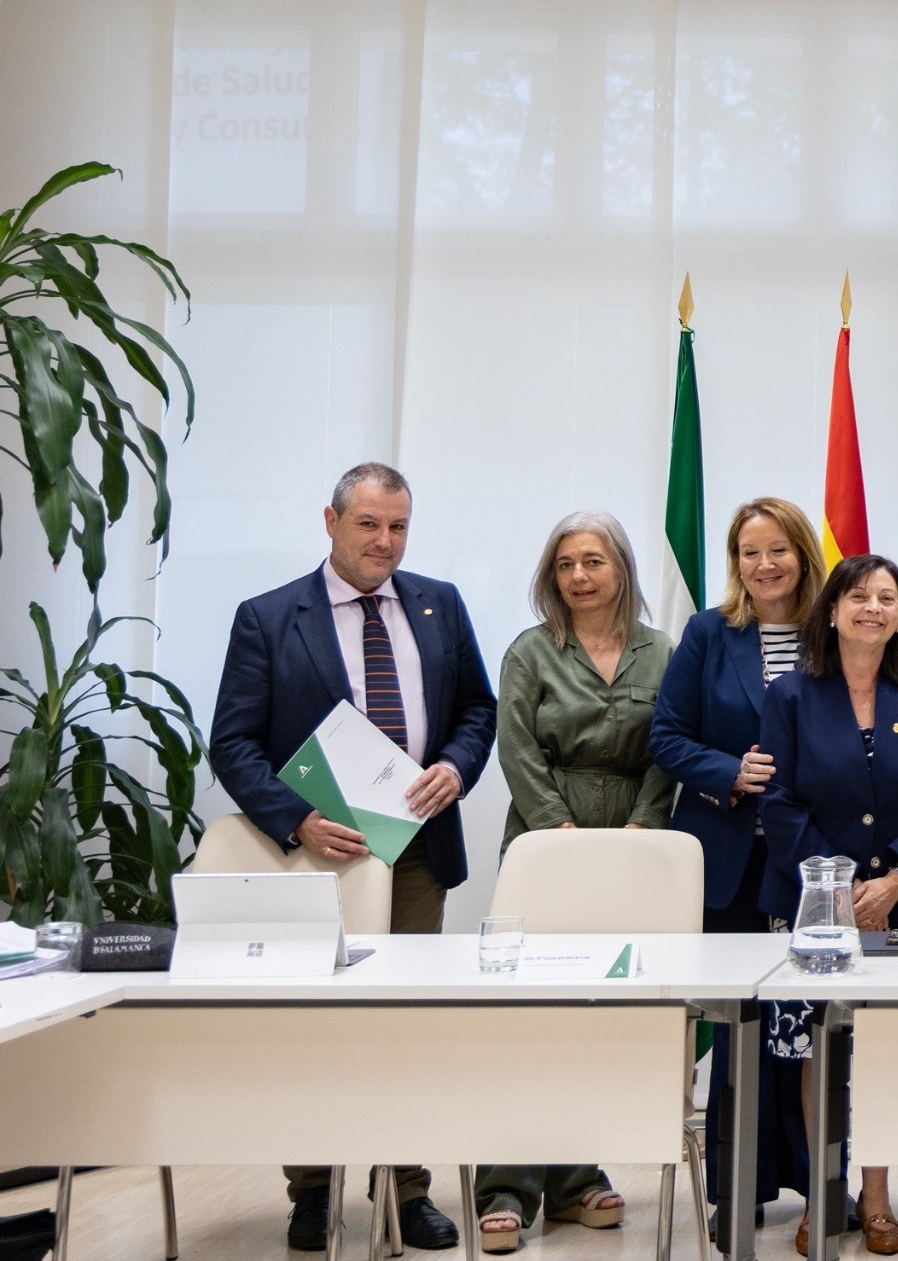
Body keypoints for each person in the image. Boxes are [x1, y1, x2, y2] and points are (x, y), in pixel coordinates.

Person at [206, 461, 494, 1253]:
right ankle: (313, 1187)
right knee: (315, 1024)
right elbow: (231, 742)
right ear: (330, 522)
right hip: (320, 856)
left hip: (416, 849)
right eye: (368, 524)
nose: (385, 541)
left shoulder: (439, 604)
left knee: (406, 1022)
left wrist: (456, 767)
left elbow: (477, 709)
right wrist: (295, 820)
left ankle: (405, 1187)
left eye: (398, 526)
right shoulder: (269, 618)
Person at [476, 511, 677, 1251]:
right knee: (528, 1012)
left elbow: (670, 744)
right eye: (565, 564)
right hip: (543, 839)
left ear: (621, 568)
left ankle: (575, 1177)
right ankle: (505, 1185)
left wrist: (645, 823)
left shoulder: (662, 651)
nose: (579, 576)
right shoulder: (530, 651)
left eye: (594, 561)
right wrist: (555, 828)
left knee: (600, 1012)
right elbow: (515, 746)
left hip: (634, 840)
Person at [760, 553, 898, 1259]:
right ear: (833, 609)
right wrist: (840, 888)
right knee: (819, 1049)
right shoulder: (791, 694)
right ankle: (824, 1195)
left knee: (885, 1050)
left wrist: (897, 880)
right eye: (858, 596)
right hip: (814, 909)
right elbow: (779, 803)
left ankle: (877, 1199)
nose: (872, 608)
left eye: (887, 598)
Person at [648, 497, 827, 1240]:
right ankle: (736, 1189)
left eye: (778, 549)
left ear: (803, 554)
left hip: (812, 863)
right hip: (730, 860)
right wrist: (729, 771)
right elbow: (666, 736)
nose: (764, 565)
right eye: (750, 552)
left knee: (813, 1027)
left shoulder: (834, 628)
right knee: (740, 1029)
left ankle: (820, 1186)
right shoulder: (708, 632)